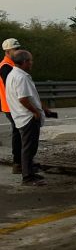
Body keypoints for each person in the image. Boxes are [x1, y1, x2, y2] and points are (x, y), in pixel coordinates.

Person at [6, 50, 52, 186]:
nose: (32, 63)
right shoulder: (21, 77)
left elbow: (30, 97)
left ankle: (30, 172)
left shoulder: (13, 74)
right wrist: (35, 112)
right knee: (28, 148)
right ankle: (27, 177)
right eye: (30, 60)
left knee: (29, 147)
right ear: (25, 62)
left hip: (21, 116)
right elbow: (23, 99)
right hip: (27, 117)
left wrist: (42, 108)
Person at [1, 38, 22, 174]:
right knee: (19, 133)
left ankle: (20, 162)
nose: (18, 51)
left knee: (19, 133)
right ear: (8, 51)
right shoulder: (5, 67)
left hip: (11, 106)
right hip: (11, 106)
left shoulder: (10, 65)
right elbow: (13, 88)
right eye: (15, 49)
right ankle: (18, 163)